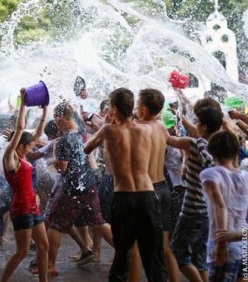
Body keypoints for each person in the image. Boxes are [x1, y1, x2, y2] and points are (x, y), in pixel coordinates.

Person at [84, 87, 167, 281]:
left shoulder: (107, 130)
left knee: (122, 254)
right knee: (153, 256)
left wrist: (103, 122)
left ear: (113, 108)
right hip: (147, 196)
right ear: (132, 107)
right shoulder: (147, 128)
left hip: (124, 198)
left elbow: (87, 148)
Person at [46, 102, 111, 276]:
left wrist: (54, 157)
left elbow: (63, 168)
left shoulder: (63, 140)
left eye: (55, 118)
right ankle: (124, 253)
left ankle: (50, 265)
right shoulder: (82, 133)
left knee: (53, 222)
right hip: (90, 183)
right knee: (98, 220)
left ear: (60, 118)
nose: (55, 122)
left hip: (73, 188)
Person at [167, 107, 223, 281]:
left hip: (192, 210)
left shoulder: (194, 144)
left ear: (204, 126)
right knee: (200, 258)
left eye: (197, 121)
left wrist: (158, 120)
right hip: (208, 211)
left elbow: (169, 139)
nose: (195, 125)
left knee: (178, 254)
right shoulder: (218, 147)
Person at [1, 88, 49, 282]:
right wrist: (24, 105)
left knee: (43, 245)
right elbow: (20, 131)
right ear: (19, 146)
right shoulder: (10, 158)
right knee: (21, 252)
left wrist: (44, 111)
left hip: (33, 207)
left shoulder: (23, 156)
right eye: (28, 147)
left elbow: (35, 135)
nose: (32, 148)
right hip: (21, 208)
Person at [134, 88, 179, 282]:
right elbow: (174, 141)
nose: (135, 107)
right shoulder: (161, 126)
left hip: (147, 191)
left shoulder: (138, 128)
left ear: (143, 109)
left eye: (137, 103)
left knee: (136, 246)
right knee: (164, 244)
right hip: (163, 188)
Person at [200, 131, 248, 281]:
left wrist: (221, 242)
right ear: (236, 151)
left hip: (224, 247)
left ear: (211, 151)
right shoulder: (245, 176)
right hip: (244, 245)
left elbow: (219, 205)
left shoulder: (210, 174)